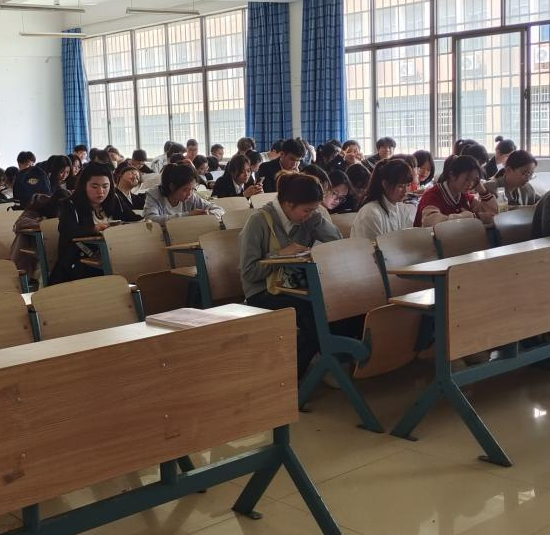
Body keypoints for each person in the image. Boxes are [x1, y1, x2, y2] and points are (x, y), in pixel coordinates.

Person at [239, 172, 342, 381]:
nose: (309, 214)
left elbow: (337, 242)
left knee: (339, 305)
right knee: (315, 317)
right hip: (264, 291)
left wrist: (317, 219)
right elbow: (248, 272)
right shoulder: (259, 221)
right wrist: (280, 255)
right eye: (307, 210)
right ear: (288, 204)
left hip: (297, 287)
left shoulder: (309, 219)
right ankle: (288, 380)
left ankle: (332, 365)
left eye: (314, 209)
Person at [49, 163, 141, 284]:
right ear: (84, 185)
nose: (101, 192)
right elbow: (67, 231)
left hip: (115, 256)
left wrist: (145, 221)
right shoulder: (70, 205)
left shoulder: (115, 200)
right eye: (94, 186)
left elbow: (132, 218)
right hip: (80, 261)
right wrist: (93, 229)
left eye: (105, 186)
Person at [415, 155, 497, 228]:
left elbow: (491, 214)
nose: (470, 184)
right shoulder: (432, 195)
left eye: (474, 180)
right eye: (467, 179)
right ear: (452, 175)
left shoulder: (464, 196)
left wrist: (481, 188)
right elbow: (432, 222)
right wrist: (473, 217)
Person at [353, 159, 416, 241]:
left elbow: (408, 241)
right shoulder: (371, 213)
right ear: (385, 184)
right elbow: (372, 247)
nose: (405, 191)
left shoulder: (402, 209)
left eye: (408, 185)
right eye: (400, 186)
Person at [142, 163, 224, 226]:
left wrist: (209, 214)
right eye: (185, 190)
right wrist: (188, 215)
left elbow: (220, 210)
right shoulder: (154, 195)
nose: (189, 194)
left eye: (192, 189)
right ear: (172, 187)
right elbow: (151, 219)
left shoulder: (191, 196)